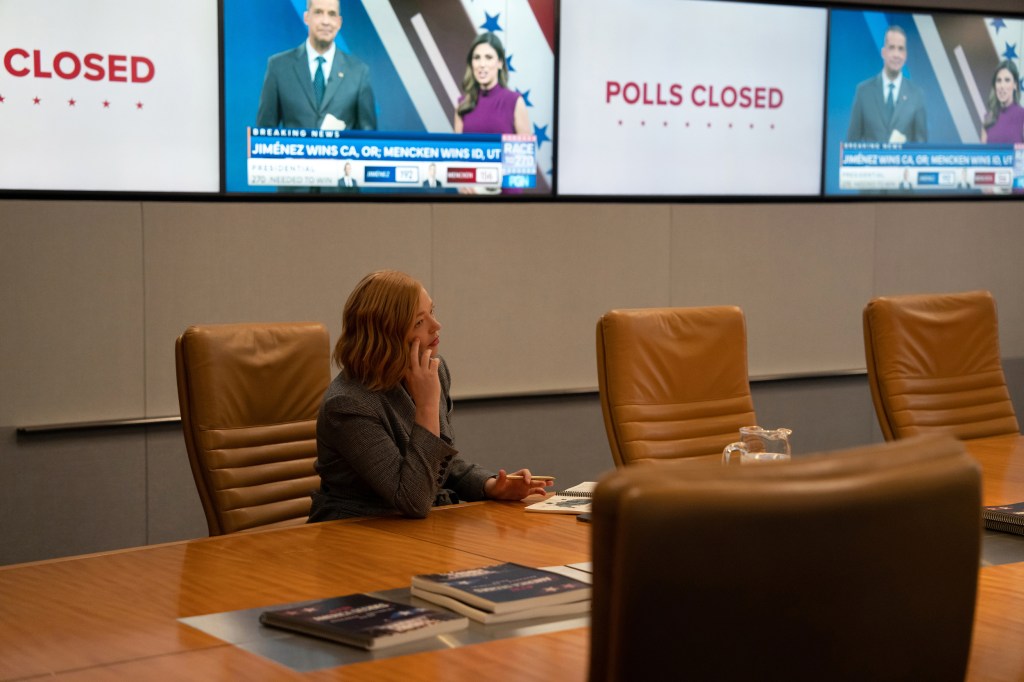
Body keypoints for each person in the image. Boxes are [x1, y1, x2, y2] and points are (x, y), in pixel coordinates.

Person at [308, 270, 551, 522]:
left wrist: (490, 485)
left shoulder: (431, 369)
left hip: (415, 529)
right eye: (419, 322)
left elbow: (438, 463)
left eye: (432, 312)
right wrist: (426, 405)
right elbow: (413, 499)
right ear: (387, 336)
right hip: (354, 530)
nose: (437, 326)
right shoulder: (348, 404)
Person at [256, 0, 376, 132]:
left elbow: (368, 141)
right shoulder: (278, 66)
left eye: (332, 14)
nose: (326, 21)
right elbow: (264, 136)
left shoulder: (358, 72)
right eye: (318, 12)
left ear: (339, 22)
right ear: (307, 17)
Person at [847, 25, 927, 144]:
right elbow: (851, 144)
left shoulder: (916, 95)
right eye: (892, 48)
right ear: (883, 52)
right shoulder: (863, 91)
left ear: (905, 55)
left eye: (901, 49)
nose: (896, 54)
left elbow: (921, 149)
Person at [453, 32, 531, 136]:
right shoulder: (462, 104)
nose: (482, 64)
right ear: (471, 63)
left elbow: (525, 150)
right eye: (477, 58)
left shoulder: (515, 102)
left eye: (488, 57)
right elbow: (458, 149)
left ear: (500, 63)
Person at [981, 60, 1024, 145]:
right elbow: (983, 155)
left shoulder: (1022, 115)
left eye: (1007, 80)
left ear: (1015, 85)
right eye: (999, 80)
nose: (1002, 86)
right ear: (995, 85)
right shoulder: (988, 118)